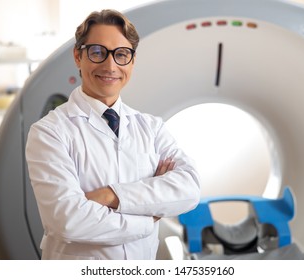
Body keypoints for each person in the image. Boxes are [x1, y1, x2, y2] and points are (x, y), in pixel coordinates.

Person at [25, 9, 200, 260]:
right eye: (97, 52)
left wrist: (110, 195)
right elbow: (67, 220)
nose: (110, 66)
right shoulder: (49, 132)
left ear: (132, 60)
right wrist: (149, 217)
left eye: (121, 54)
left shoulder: (151, 127)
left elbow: (190, 189)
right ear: (78, 55)